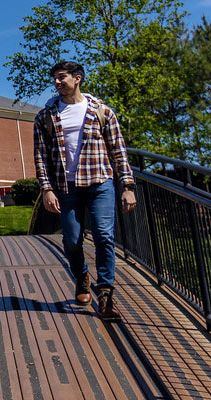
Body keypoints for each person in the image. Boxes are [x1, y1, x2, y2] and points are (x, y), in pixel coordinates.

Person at [31, 60, 137, 320]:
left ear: (77, 79)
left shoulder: (102, 111)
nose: (57, 82)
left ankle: (106, 294)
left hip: (100, 183)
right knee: (71, 239)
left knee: (103, 235)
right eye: (55, 77)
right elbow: (40, 156)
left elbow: (118, 150)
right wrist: (46, 189)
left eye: (62, 77)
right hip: (66, 187)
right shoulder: (46, 116)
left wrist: (128, 185)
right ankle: (81, 276)